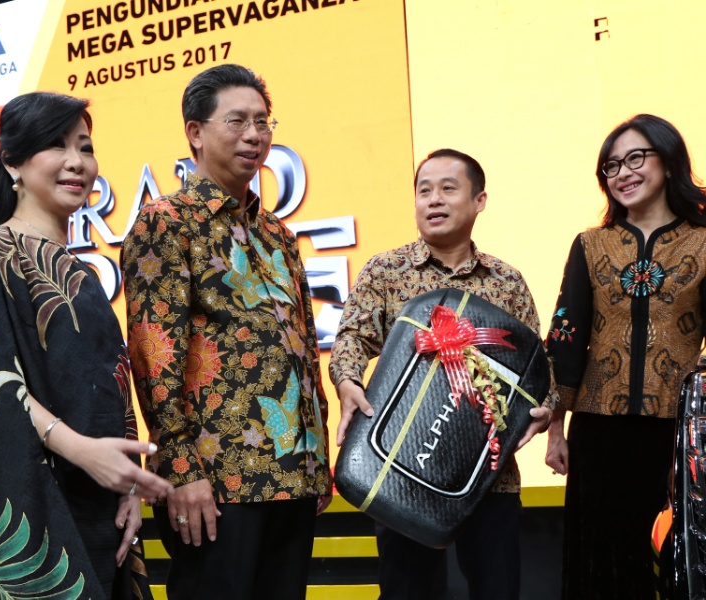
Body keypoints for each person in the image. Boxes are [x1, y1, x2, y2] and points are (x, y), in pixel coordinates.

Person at [0, 91, 173, 599]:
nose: (77, 162)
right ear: (12, 162)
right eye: (57, 145)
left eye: (85, 147)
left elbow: (111, 383)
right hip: (34, 499)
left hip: (100, 501)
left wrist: (128, 483)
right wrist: (85, 452)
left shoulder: (84, 273)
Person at [121, 63, 332, 600]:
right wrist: (181, 467)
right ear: (195, 132)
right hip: (216, 478)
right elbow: (152, 354)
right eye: (237, 121)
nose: (254, 135)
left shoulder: (279, 234)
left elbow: (305, 348)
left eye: (263, 122)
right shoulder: (166, 221)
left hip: (294, 473)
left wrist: (320, 455)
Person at [329, 148, 555, 600]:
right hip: (401, 471)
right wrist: (347, 381)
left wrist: (545, 409)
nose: (433, 199)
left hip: (490, 477)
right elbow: (352, 337)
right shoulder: (386, 270)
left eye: (448, 189)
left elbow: (537, 365)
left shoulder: (506, 280)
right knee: (408, 591)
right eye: (424, 190)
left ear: (479, 200)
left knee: (497, 589)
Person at [544, 114, 706, 599]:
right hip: (599, 429)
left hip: (675, 433)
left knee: (674, 559)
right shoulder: (591, 245)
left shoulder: (703, 242)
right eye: (611, 166)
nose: (623, 173)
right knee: (602, 561)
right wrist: (555, 429)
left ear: (668, 161)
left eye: (635, 158)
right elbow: (566, 337)